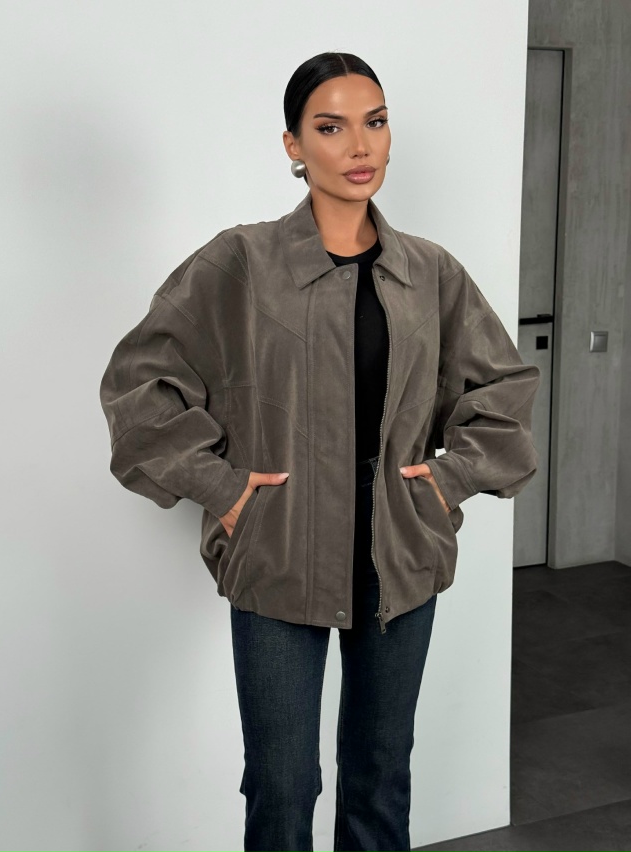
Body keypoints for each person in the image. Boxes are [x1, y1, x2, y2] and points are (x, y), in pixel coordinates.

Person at [99, 51, 540, 852]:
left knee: (380, 774)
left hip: (399, 550)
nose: (359, 146)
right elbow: (140, 383)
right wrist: (223, 488)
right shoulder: (241, 262)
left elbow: (502, 387)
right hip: (278, 548)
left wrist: (447, 482)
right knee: (281, 783)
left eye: (375, 122)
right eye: (330, 128)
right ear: (294, 146)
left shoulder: (431, 272)